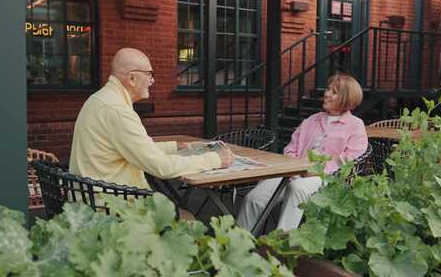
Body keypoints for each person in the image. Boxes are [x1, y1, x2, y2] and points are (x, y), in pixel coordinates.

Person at [69, 48, 234, 189]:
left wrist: (177, 146)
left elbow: (136, 148)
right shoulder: (117, 110)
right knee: (188, 220)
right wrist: (216, 159)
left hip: (92, 202)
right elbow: (161, 167)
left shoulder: (102, 99)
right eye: (149, 74)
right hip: (112, 212)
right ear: (132, 78)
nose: (152, 80)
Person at [236, 74, 368, 232]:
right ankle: (239, 243)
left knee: (297, 188)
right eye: (328, 89)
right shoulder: (312, 120)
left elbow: (350, 159)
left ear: (346, 98)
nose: (326, 94)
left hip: (329, 178)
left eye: (334, 92)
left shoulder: (355, 125)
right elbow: (291, 149)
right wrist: (293, 168)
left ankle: (281, 244)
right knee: (254, 198)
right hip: (294, 172)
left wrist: (316, 171)